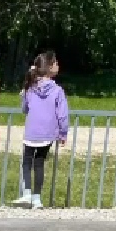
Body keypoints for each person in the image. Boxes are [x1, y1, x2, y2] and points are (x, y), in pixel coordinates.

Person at [10, 51, 69, 209]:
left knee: (26, 162)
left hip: (31, 132)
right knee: (39, 163)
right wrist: (63, 133)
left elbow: (25, 109)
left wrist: (23, 95)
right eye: (56, 63)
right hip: (48, 134)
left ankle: (27, 193)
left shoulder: (30, 88)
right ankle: (37, 199)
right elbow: (62, 114)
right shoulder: (57, 90)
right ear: (49, 67)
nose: (58, 65)